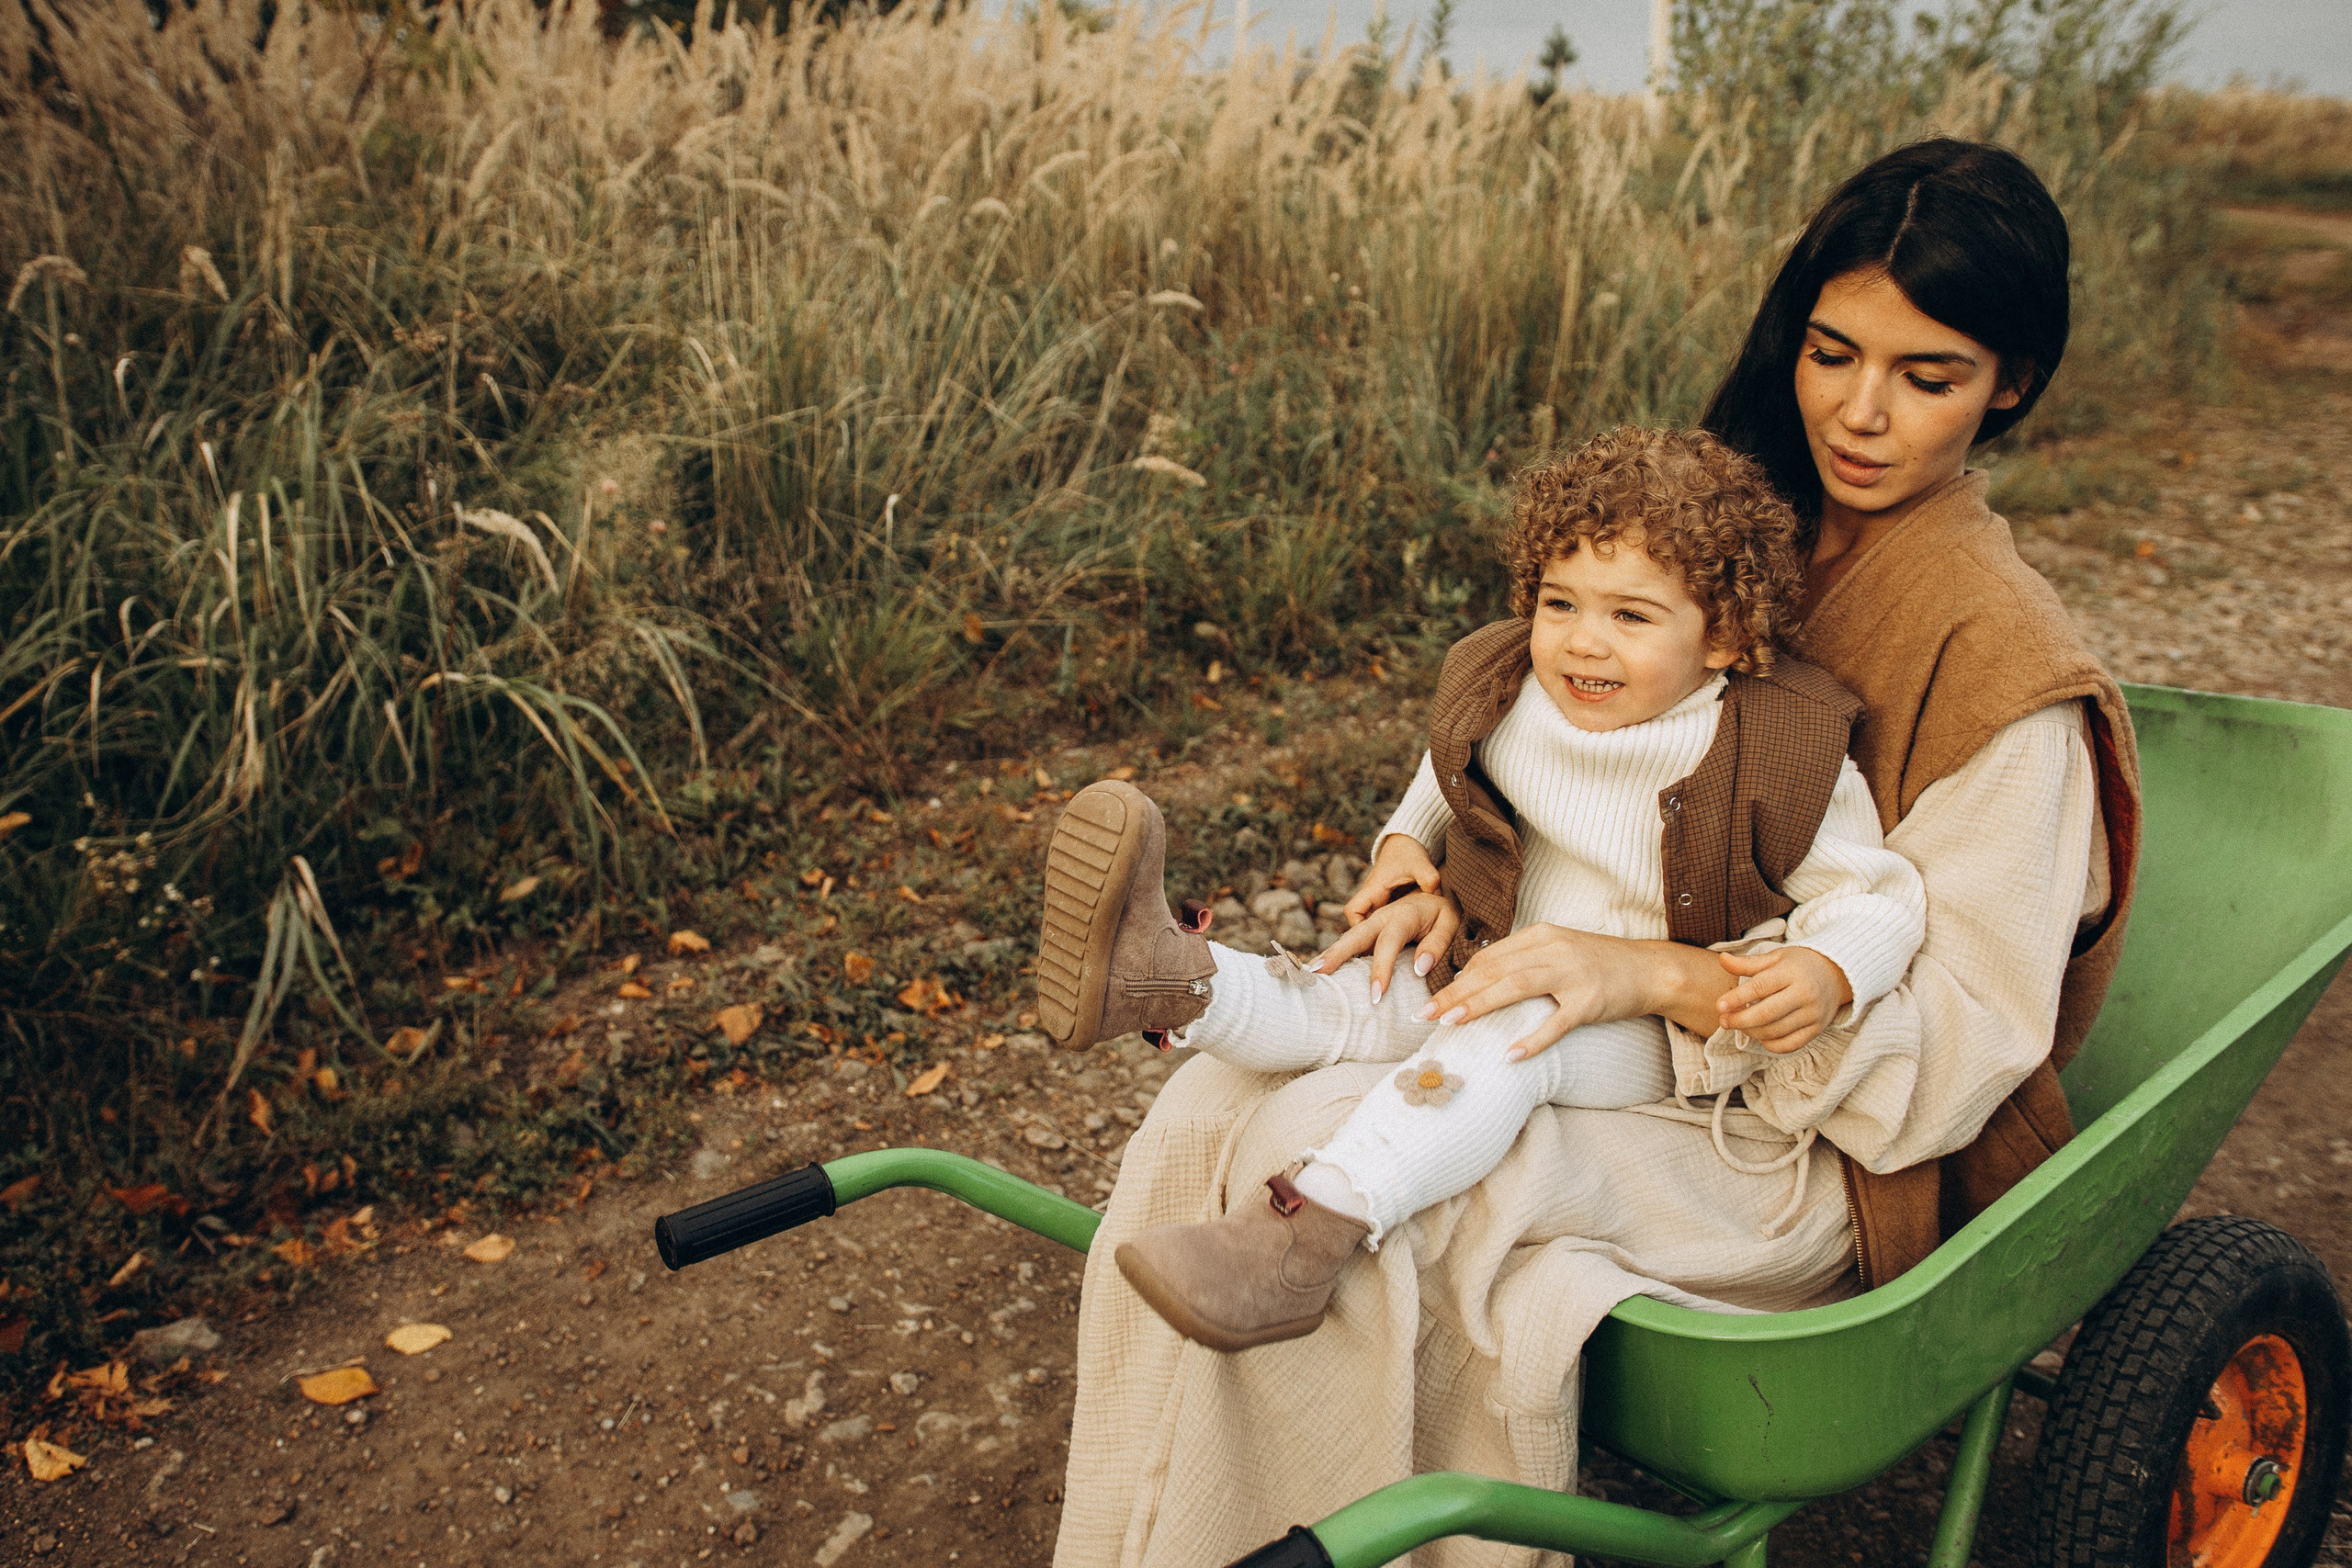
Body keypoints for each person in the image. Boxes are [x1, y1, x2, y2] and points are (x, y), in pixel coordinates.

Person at [1050, 138, 2141, 1568]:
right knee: (1219, 1099)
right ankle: (1141, 1539)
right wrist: (1435, 859)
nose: (1860, 414)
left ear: (2012, 383)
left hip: (1789, 1136)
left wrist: (1654, 976)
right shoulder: (1726, 517)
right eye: (1830, 352)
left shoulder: (2002, 659)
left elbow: (1962, 1042)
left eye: (1927, 375)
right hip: (1578, 1022)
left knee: (1358, 1167)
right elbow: (1527, 718)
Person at [1037, 428, 1928, 1355]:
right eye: (1558, 603)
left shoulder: (1783, 747)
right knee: (1357, 995)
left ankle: (1307, 1236)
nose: (1583, 642)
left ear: (1727, 635)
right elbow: (1448, 769)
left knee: (1506, 1040)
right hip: (1497, 952)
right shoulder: (1516, 690)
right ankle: (1169, 981)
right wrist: (1401, 845)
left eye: (1631, 616)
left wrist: (1830, 967)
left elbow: (1877, 897)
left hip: (1650, 1031)